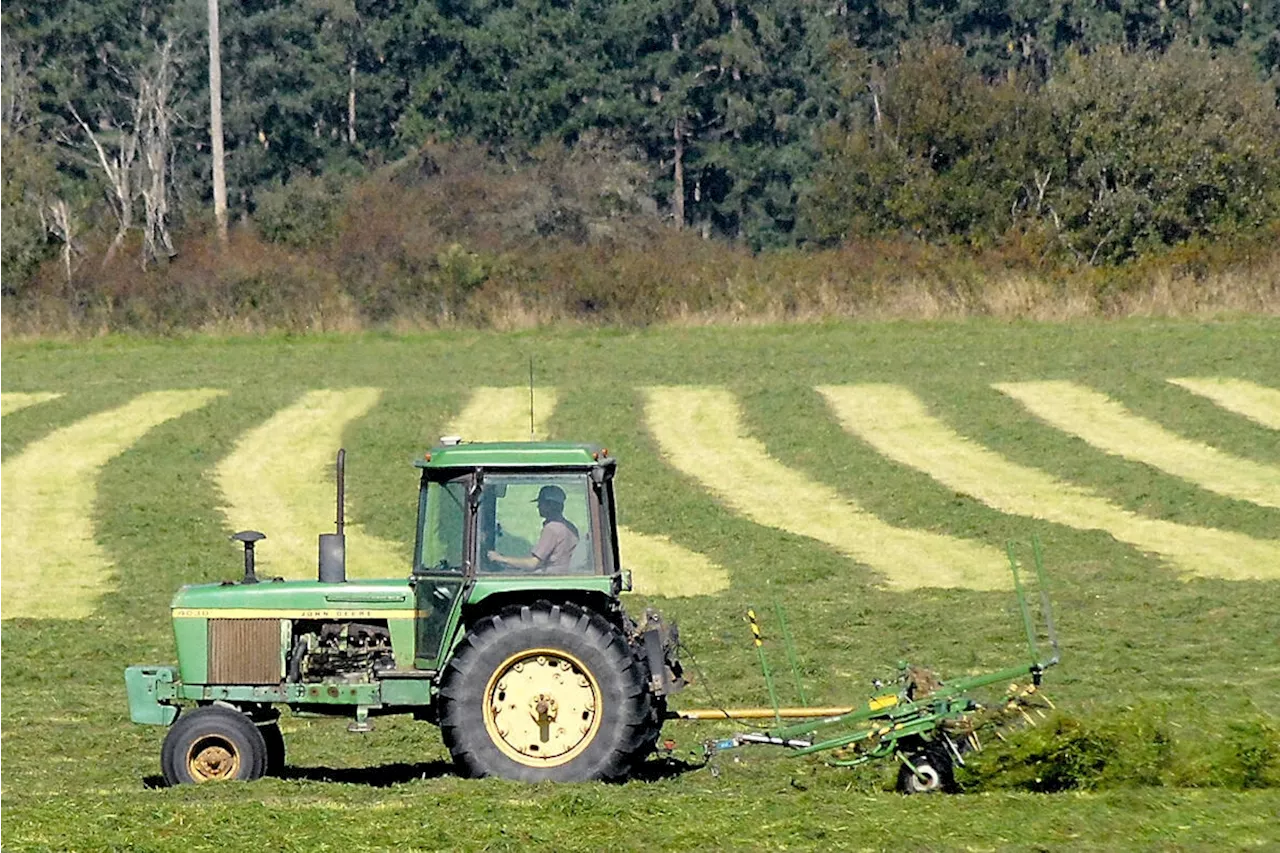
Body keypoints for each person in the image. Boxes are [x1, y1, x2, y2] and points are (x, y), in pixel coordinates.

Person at [486, 484, 580, 572]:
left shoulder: (551, 529)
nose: (538, 506)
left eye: (541, 503)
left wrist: (500, 558)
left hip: (549, 578)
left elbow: (532, 564)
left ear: (551, 505)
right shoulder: (570, 527)